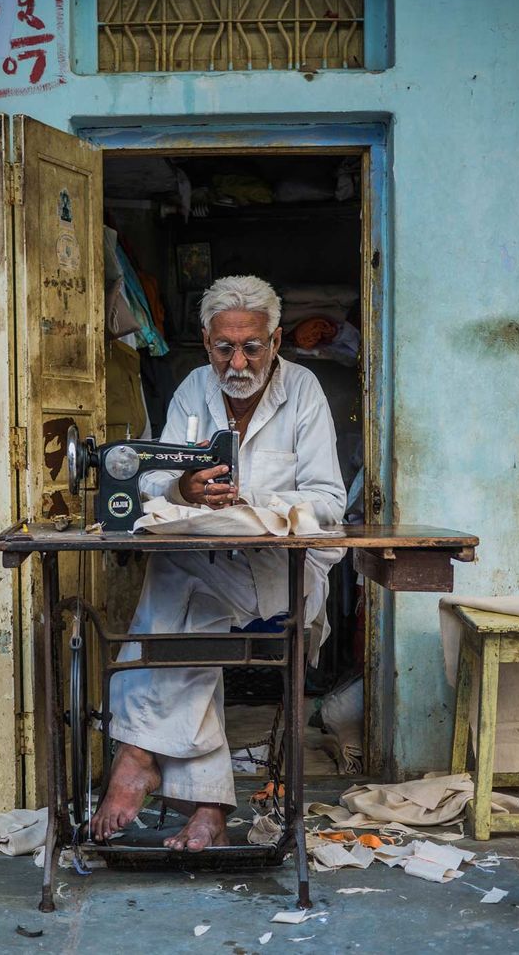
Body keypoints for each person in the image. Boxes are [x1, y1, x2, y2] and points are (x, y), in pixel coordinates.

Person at [91, 275, 347, 851]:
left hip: (284, 577)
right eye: (224, 347)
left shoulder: (302, 391)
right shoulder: (193, 390)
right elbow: (156, 479)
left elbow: (330, 501)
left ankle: (138, 756)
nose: (238, 361)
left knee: (172, 578)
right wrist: (185, 488)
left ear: (275, 341)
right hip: (210, 570)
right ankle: (207, 806)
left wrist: (251, 508)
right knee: (190, 599)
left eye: (252, 347)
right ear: (207, 344)